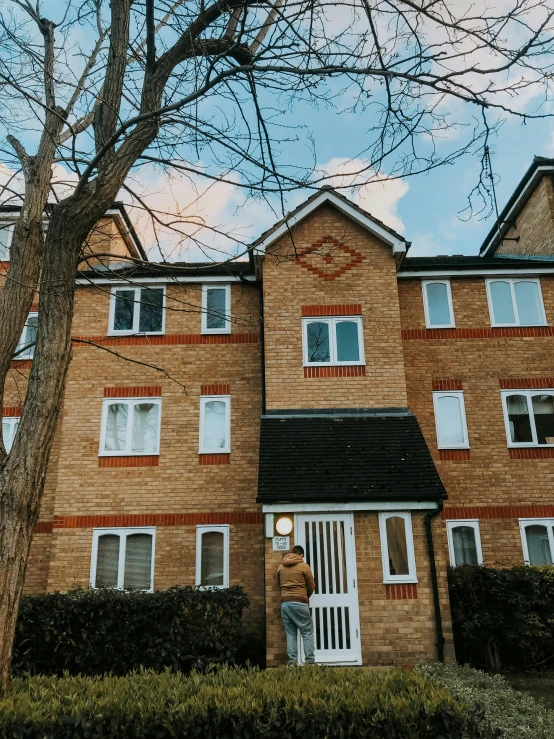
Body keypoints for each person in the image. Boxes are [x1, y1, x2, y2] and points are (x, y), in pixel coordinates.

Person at [277, 544, 316, 665]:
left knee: (291, 633)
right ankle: (310, 663)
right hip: (300, 602)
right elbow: (311, 585)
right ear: (301, 555)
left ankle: (292, 663)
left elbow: (279, 584)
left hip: (285, 603)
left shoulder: (280, 567)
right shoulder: (304, 567)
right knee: (307, 632)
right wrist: (305, 596)